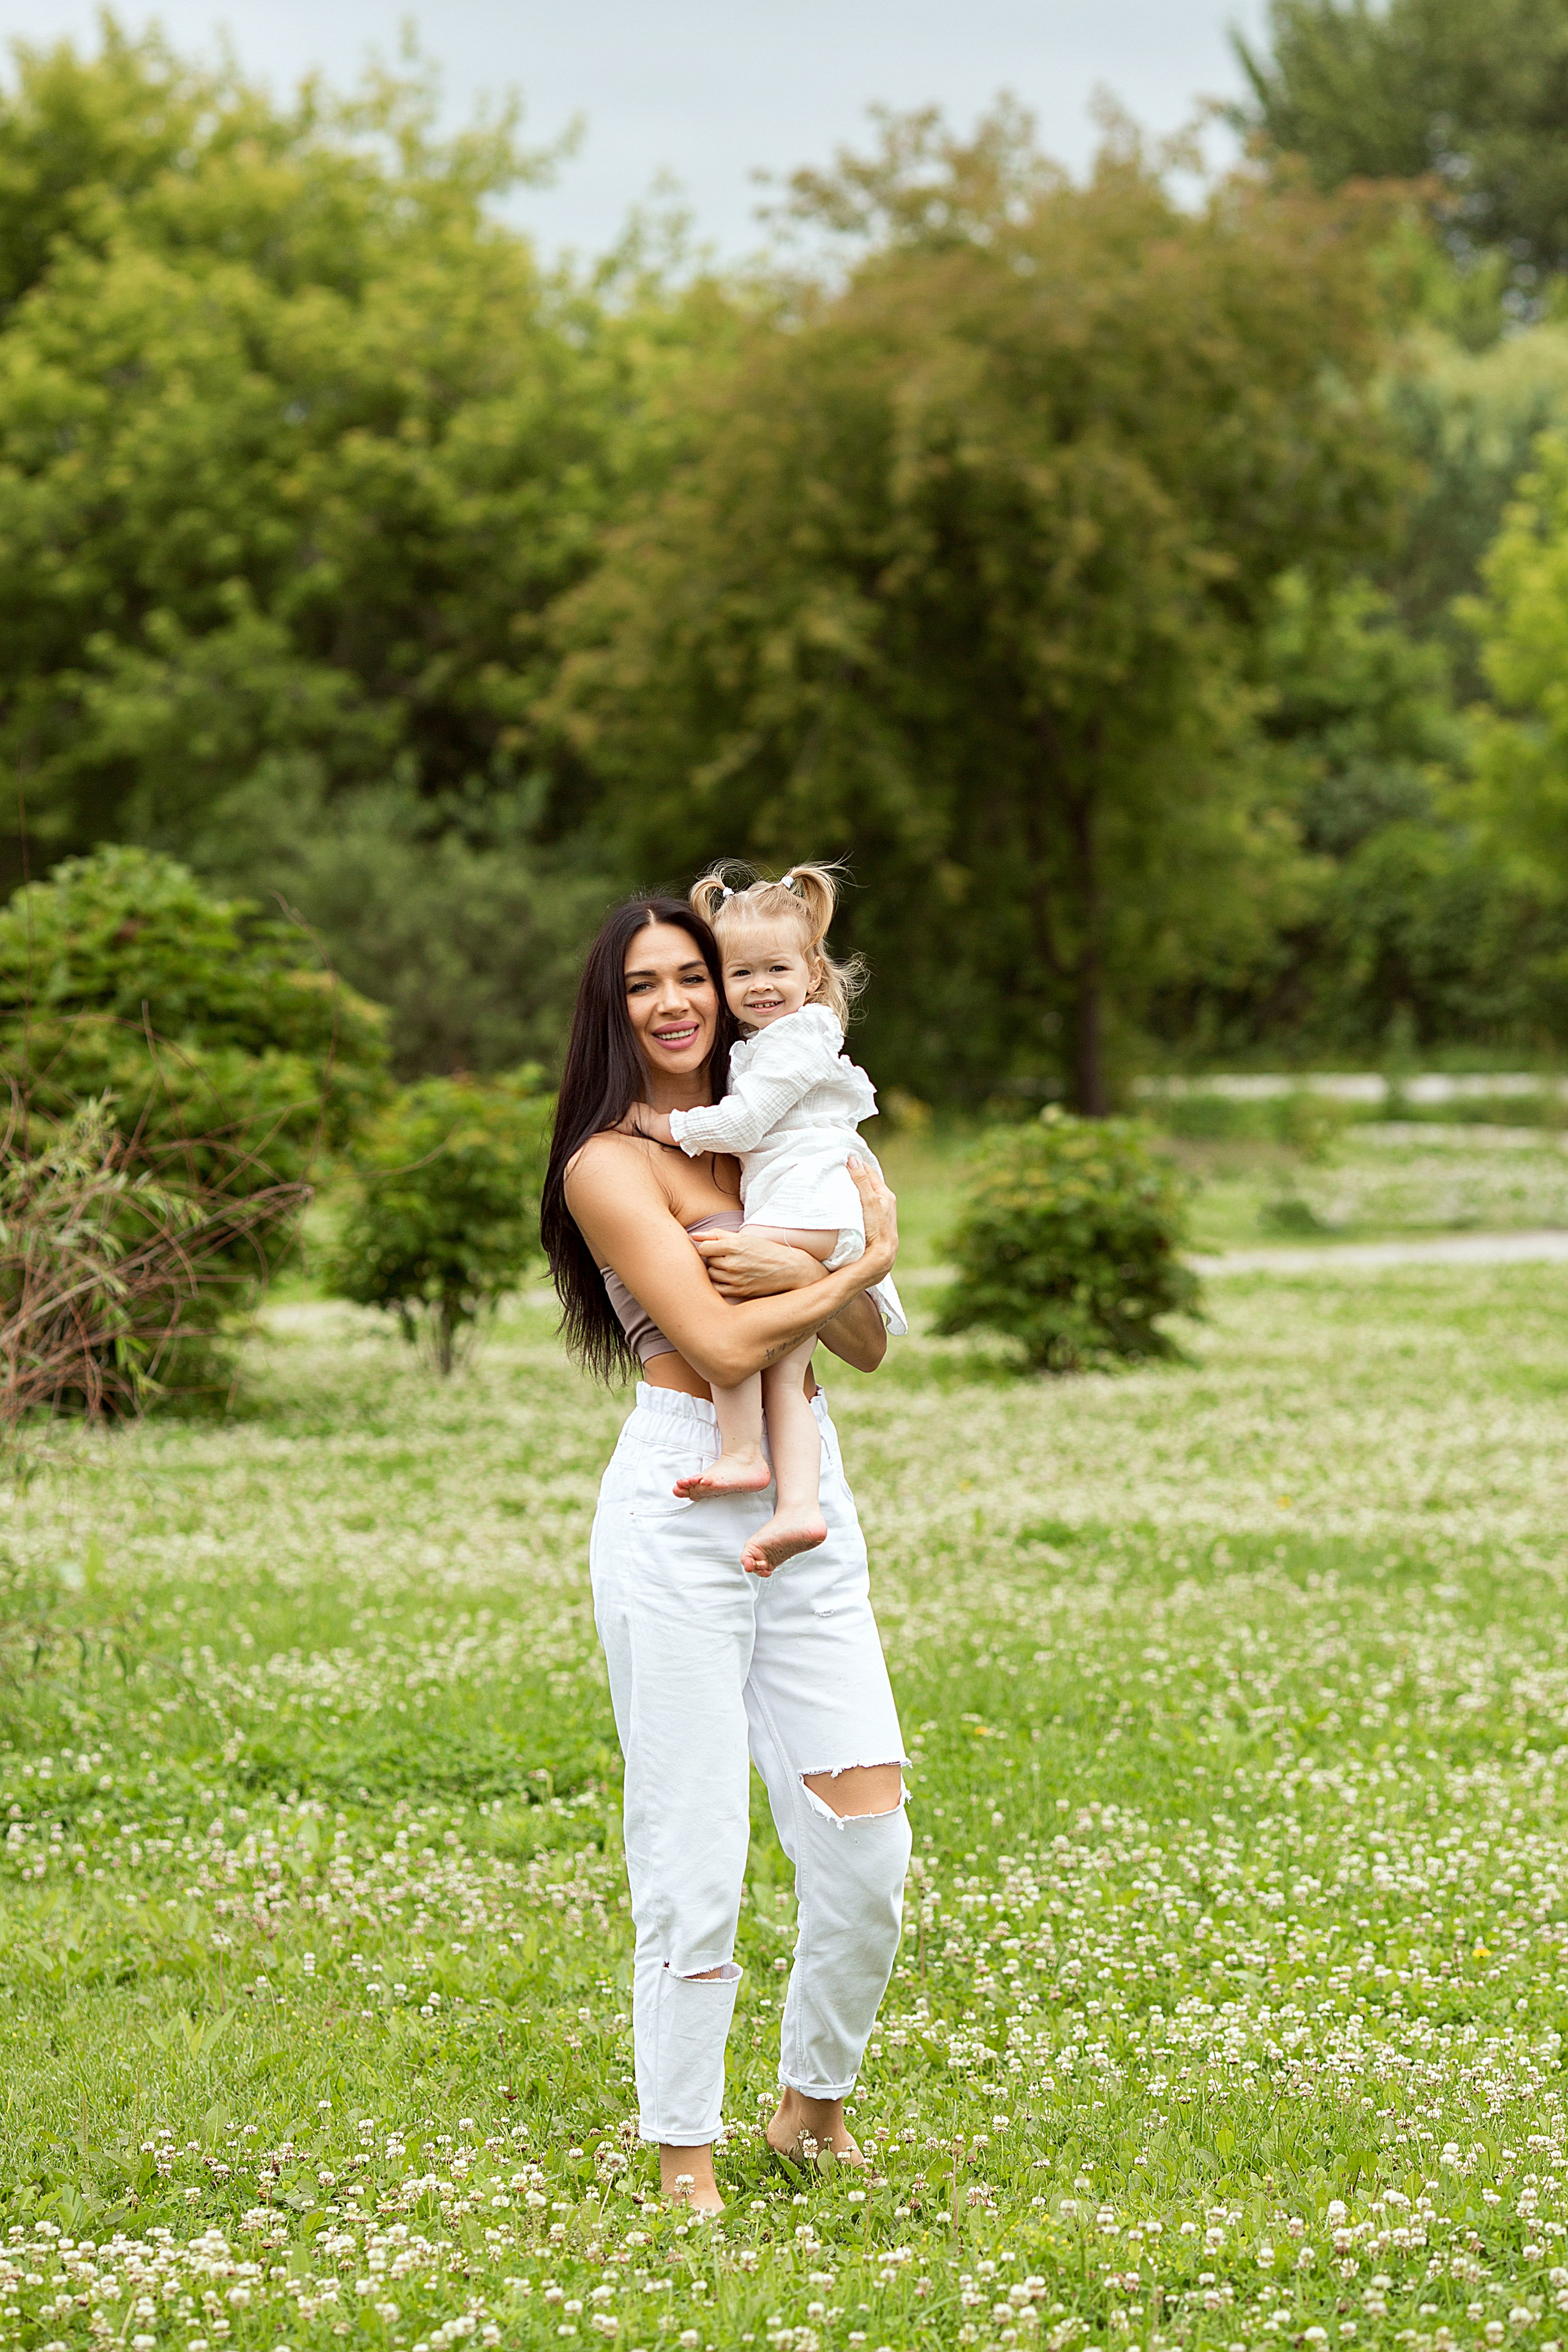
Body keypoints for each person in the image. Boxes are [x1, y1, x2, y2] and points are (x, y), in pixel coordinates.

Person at [540, 892, 912, 2217]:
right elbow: (725, 1346)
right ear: (613, 1009)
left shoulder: (772, 1132)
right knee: (693, 1856)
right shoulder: (612, 1163)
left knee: (867, 1851)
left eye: (689, 976)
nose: (674, 1003)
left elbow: (864, 1348)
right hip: (681, 1501)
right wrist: (861, 1257)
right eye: (641, 986)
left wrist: (835, 1272)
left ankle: (810, 2108)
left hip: (809, 1499)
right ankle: (681, 2154)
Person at [622, 863, 906, 1577]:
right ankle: (797, 1505)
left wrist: (664, 1125)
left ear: (813, 972)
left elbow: (745, 1122)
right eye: (738, 973)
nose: (759, 987)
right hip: (806, 1207)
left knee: (729, 1268)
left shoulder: (795, 1039)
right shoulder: (764, 1047)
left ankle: (746, 1452)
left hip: (809, 1203)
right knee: (788, 1374)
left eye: (776, 968)